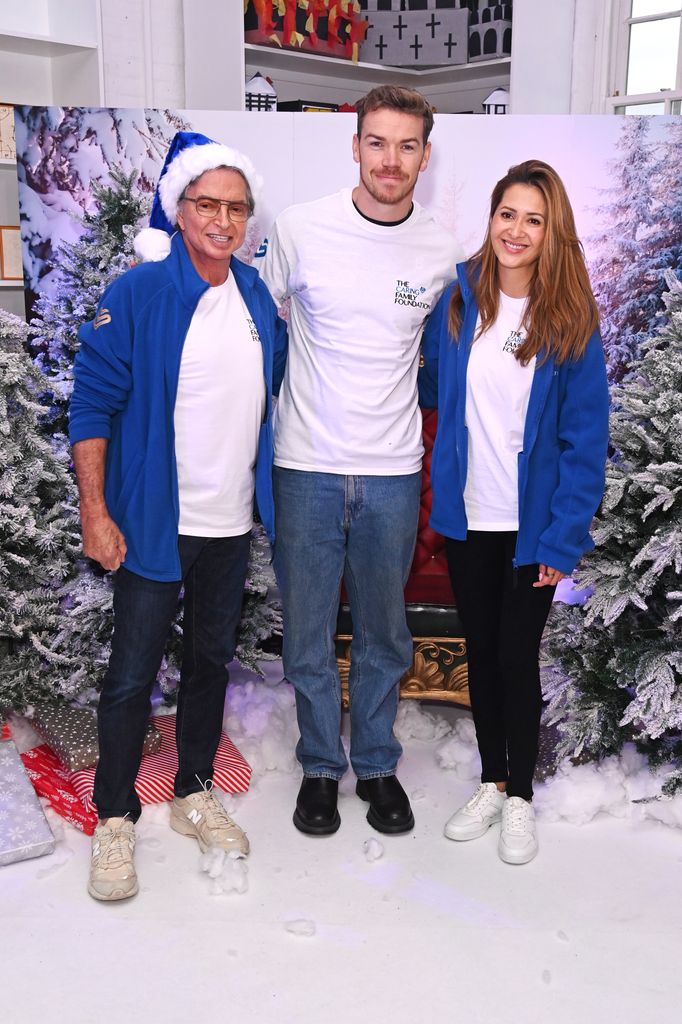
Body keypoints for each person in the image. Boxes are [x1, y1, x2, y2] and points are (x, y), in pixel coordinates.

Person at [70, 131, 287, 901]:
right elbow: (90, 406)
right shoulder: (136, 294)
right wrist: (96, 511)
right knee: (130, 677)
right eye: (207, 204)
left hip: (229, 528)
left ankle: (193, 790)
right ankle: (115, 817)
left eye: (236, 207)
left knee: (208, 664)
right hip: (154, 523)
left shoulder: (257, 296)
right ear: (180, 209)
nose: (223, 220)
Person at [260, 85, 462, 837]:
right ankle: (320, 764)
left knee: (384, 633)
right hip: (305, 464)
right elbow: (258, 321)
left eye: (407, 146)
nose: (391, 159)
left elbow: (449, 359)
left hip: (392, 471)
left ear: (425, 156)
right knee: (308, 632)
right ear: (355, 145)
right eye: (378, 142)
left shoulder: (441, 251)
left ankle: (375, 763)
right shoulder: (301, 228)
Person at [419, 159, 609, 864]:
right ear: (492, 218)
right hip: (471, 520)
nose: (518, 230)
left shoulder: (570, 319)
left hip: (533, 531)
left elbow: (585, 441)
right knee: (480, 653)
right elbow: (435, 390)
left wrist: (563, 540)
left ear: (551, 230)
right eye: (508, 214)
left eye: (534, 218)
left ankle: (521, 794)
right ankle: (492, 781)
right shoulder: (461, 301)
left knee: (515, 656)